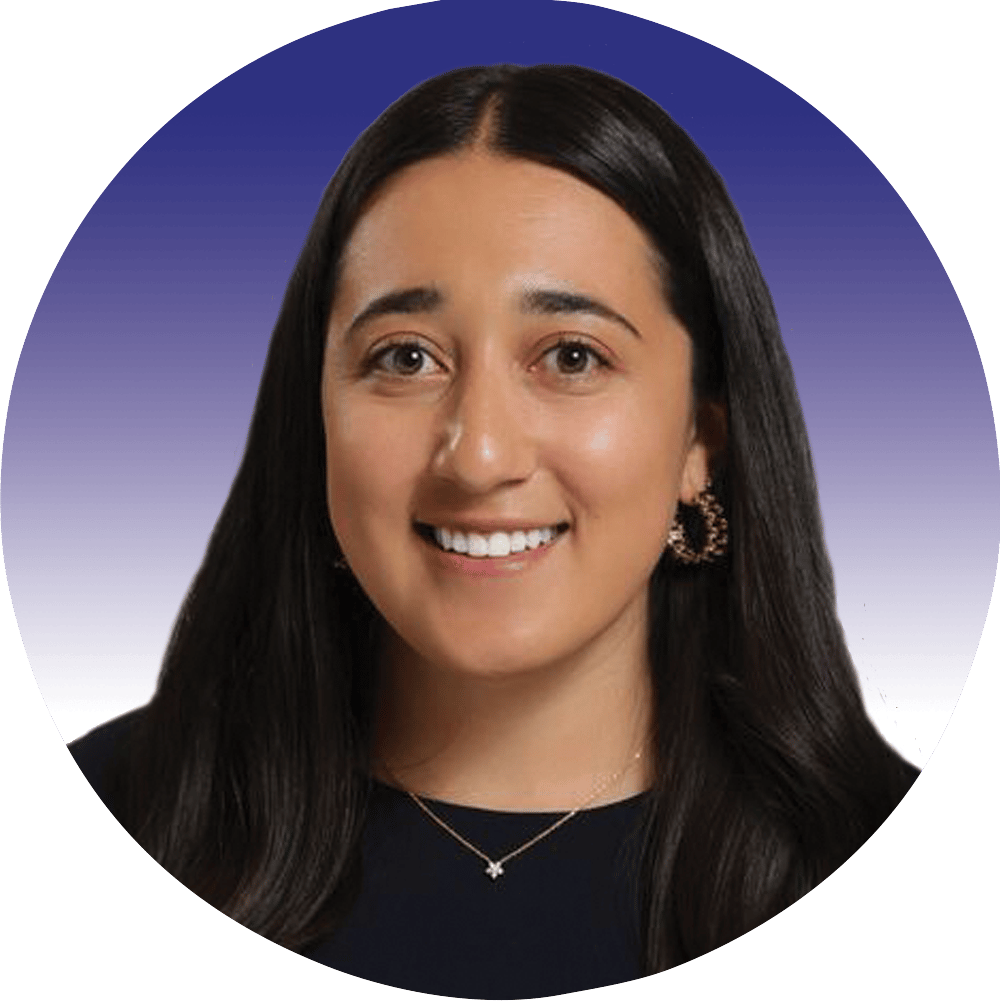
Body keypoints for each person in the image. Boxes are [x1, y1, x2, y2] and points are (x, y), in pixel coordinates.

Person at [70, 64, 918, 998]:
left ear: (700, 442)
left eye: (571, 356)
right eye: (406, 357)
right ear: (315, 418)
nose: (477, 455)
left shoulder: (898, 866)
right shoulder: (100, 824)